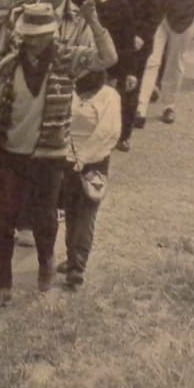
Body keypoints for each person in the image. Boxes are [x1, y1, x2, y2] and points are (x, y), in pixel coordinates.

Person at [0, 1, 116, 309]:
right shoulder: (9, 66)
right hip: (10, 152)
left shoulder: (67, 59)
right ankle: (0, 286)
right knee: (5, 219)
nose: (34, 41)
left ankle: (46, 262)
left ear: (50, 34)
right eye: (29, 35)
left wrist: (93, 21)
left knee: (44, 217)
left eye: (40, 35)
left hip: (50, 154)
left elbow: (108, 58)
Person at [97, 0, 163, 151]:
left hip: (136, 40)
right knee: (105, 81)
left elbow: (156, 12)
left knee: (129, 85)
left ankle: (123, 134)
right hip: (112, 35)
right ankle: (103, 127)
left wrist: (142, 36)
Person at [59, 70, 120, 290]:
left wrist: (83, 158)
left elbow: (107, 133)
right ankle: (71, 258)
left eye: (87, 93)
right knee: (71, 211)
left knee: (87, 212)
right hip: (67, 160)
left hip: (94, 163)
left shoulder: (110, 97)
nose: (82, 97)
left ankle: (78, 267)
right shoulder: (70, 91)